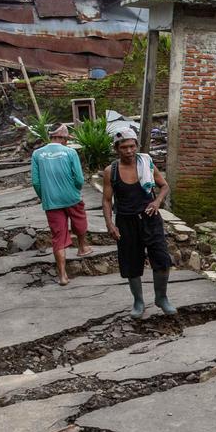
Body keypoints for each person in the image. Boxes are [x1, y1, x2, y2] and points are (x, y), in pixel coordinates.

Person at [101, 128, 175, 318]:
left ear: (137, 146)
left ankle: (161, 298)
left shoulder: (146, 164)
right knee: (131, 263)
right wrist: (110, 224)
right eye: (124, 147)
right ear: (117, 149)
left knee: (161, 259)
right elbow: (107, 200)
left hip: (150, 220)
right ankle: (138, 301)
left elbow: (164, 186)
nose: (129, 151)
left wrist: (157, 202)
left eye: (132, 146)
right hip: (126, 222)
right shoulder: (112, 171)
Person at [31, 124, 92, 285]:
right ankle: (82, 247)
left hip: (51, 201)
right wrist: (75, 190)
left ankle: (63, 276)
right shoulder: (70, 152)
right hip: (71, 197)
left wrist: (44, 197)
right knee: (79, 220)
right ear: (64, 138)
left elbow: (36, 182)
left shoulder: (37, 154)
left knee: (58, 236)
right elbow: (79, 179)